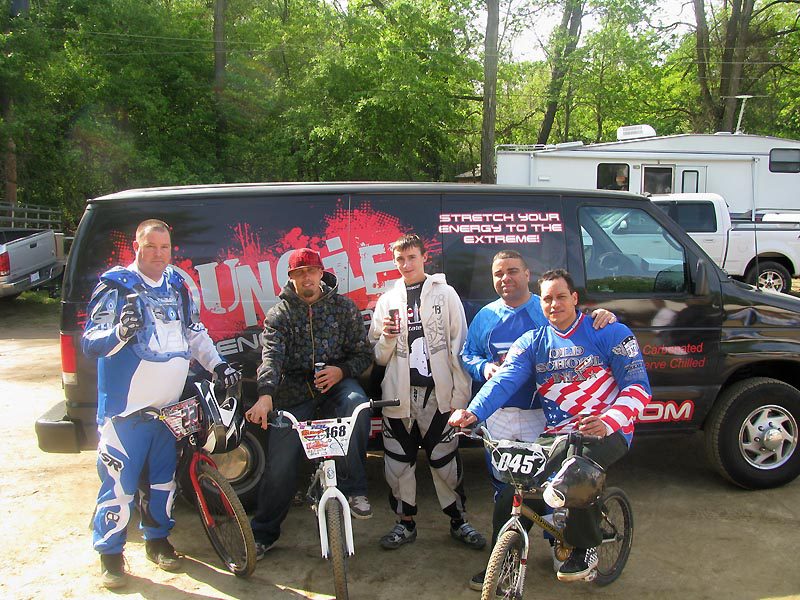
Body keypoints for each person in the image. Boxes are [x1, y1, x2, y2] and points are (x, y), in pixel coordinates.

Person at [451, 268, 651, 584]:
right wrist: (472, 413)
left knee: (577, 473)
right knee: (511, 490)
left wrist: (608, 420)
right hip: (557, 435)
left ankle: (584, 549)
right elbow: (503, 381)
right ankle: (503, 561)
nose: (554, 304)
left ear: (574, 298)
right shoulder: (532, 341)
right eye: (547, 298)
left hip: (609, 430)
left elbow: (639, 388)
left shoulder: (610, 332)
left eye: (560, 296)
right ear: (539, 303)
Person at [83, 219, 240, 589]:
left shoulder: (178, 284)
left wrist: (218, 364)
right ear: (136, 247)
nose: (158, 254)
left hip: (169, 413)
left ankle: (158, 541)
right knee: (118, 486)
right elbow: (91, 341)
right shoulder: (116, 286)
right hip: (126, 414)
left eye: (164, 247)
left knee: (163, 483)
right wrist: (119, 332)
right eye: (150, 246)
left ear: (172, 249)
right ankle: (110, 554)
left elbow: (194, 333)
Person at [246, 247, 374, 559]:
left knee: (357, 405)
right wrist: (265, 396)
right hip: (294, 392)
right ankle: (263, 534)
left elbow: (363, 353)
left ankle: (355, 489)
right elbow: (271, 358)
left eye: (311, 271)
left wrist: (340, 370)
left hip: (337, 384)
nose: (307, 277)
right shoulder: (280, 315)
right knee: (280, 465)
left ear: (321, 273)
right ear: (291, 278)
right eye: (299, 272)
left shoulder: (343, 308)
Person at [461, 250, 617, 497]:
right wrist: (483, 367)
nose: (505, 278)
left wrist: (604, 316)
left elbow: (578, 329)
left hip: (540, 414)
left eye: (512, 271)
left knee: (547, 484)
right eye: (498, 274)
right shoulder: (485, 316)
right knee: (503, 482)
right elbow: (467, 354)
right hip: (498, 414)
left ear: (526, 274)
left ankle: (552, 535)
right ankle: (510, 533)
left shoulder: (546, 308)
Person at [369, 234, 486, 550]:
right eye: (400, 260)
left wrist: (460, 398)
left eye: (412, 258)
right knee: (397, 464)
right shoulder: (387, 300)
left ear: (424, 257)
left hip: (439, 397)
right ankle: (404, 525)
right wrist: (388, 339)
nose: (406, 265)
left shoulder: (445, 294)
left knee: (444, 461)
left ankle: (459, 522)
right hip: (399, 398)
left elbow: (460, 347)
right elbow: (378, 357)